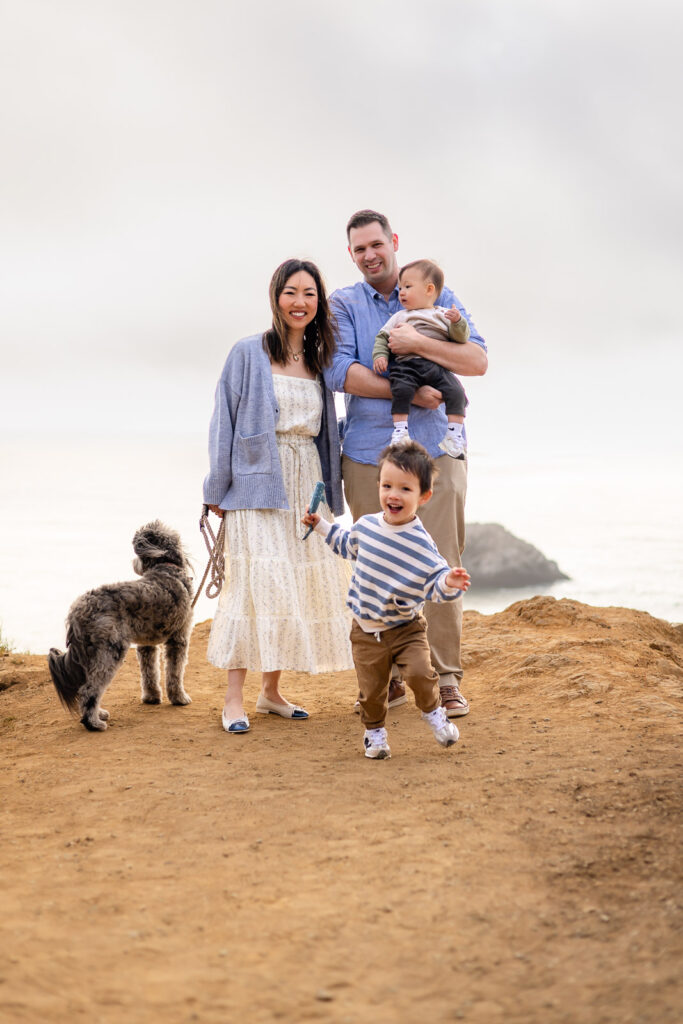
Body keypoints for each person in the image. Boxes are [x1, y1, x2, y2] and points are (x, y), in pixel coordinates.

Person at [325, 210, 487, 719]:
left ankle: (447, 681)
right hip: (369, 453)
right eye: (359, 249)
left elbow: (477, 361)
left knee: (442, 560)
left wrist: (417, 344)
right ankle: (387, 681)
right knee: (373, 564)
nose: (370, 254)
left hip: (437, 450)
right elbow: (340, 371)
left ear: (393, 242)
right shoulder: (344, 304)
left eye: (377, 244)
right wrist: (414, 392)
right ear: (351, 255)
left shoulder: (439, 293)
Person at [203, 259, 353, 734]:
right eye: (291, 292)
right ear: (276, 297)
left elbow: (325, 432)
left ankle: (270, 693)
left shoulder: (319, 360)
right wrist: (216, 489)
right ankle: (233, 699)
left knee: (289, 586)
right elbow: (223, 420)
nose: (300, 302)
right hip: (255, 485)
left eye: (309, 294)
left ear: (318, 302)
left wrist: (333, 492)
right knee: (252, 586)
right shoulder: (247, 352)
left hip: (305, 482)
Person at [302, 442, 471, 760]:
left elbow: (435, 582)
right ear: (378, 485)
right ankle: (375, 734)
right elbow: (344, 544)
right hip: (365, 631)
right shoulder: (366, 526)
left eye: (405, 488)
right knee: (372, 691)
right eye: (387, 485)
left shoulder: (420, 542)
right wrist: (321, 526)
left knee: (421, 673)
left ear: (423, 497)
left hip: (406, 628)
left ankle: (433, 711)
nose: (393, 494)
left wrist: (450, 581)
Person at [373, 258, 470, 458]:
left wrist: (458, 322)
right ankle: (400, 430)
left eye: (408, 286)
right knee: (401, 389)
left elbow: (461, 338)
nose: (402, 292)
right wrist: (381, 356)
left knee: (456, 392)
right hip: (406, 365)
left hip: (435, 366)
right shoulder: (400, 316)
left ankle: (453, 435)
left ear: (429, 289)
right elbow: (382, 337)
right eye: (400, 288)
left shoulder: (443, 314)